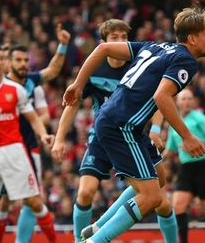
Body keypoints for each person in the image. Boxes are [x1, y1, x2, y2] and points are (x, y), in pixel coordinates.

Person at [62, 6, 205, 243]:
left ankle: (97, 227)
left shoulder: (155, 46)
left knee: (159, 177)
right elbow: (162, 97)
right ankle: (96, 241)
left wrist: (78, 84)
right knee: (152, 198)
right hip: (122, 126)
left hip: (124, 123)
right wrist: (187, 136)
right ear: (192, 39)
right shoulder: (186, 60)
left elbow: (102, 48)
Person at [52, 19, 177, 243]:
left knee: (162, 199)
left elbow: (160, 97)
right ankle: (81, 241)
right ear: (105, 42)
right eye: (114, 38)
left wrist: (156, 129)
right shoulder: (94, 69)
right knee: (85, 192)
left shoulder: (140, 64)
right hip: (103, 134)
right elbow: (73, 103)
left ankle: (100, 229)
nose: (120, 42)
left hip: (133, 134)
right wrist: (60, 138)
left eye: (123, 37)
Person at [0, 43, 57, 243]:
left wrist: (43, 135)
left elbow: (33, 118)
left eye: (1, 59)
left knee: (34, 201)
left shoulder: (16, 90)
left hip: (15, 151)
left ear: (5, 63)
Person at [161, 88, 205, 243]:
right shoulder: (174, 122)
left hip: (203, 166)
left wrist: (196, 146)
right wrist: (156, 160)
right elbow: (170, 149)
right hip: (186, 168)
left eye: (189, 99)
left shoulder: (201, 119)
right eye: (184, 99)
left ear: (193, 102)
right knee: (178, 206)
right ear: (178, 102)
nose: (187, 102)